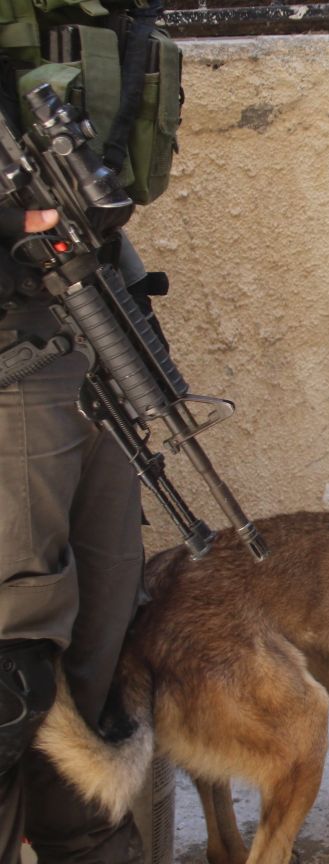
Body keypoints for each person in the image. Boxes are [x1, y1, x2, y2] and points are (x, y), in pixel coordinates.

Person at [0, 56, 154, 864]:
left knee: (103, 642)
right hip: (9, 361)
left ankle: (84, 840)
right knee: (12, 674)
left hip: (85, 322)